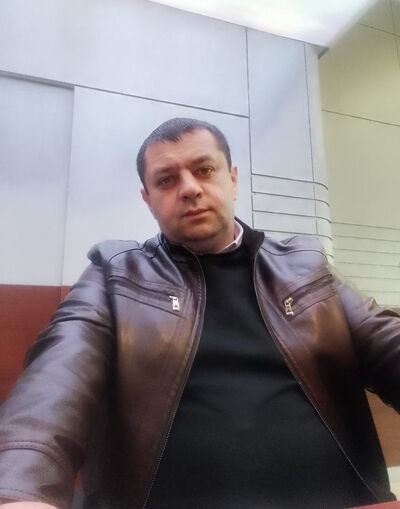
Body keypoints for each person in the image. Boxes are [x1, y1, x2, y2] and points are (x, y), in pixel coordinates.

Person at [0, 118, 399, 509]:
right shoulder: (116, 272)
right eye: (166, 180)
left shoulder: (304, 265)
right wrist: (21, 489)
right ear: (148, 199)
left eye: (204, 170)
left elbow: (384, 341)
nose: (189, 189)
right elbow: (58, 374)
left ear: (233, 179)